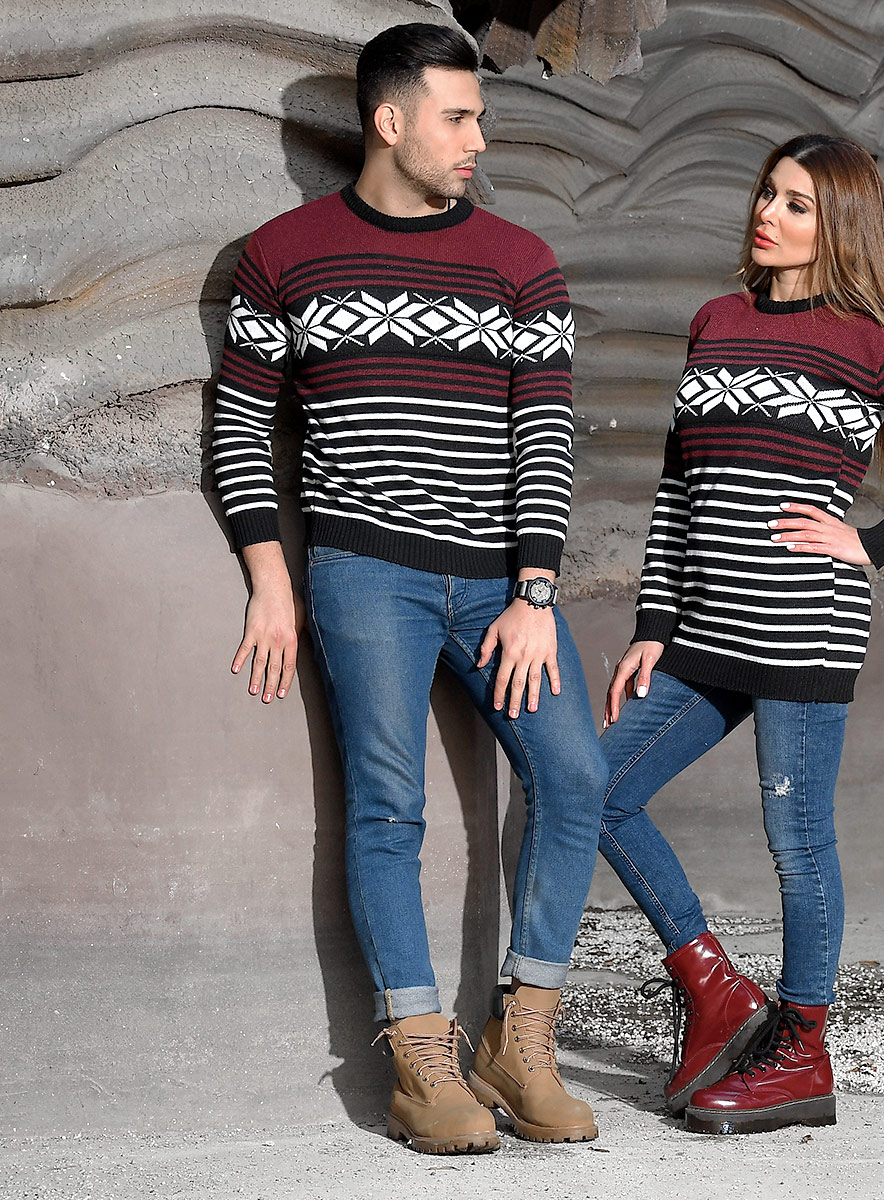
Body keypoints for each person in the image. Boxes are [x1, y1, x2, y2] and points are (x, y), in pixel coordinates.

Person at [211, 23, 605, 1155]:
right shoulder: (283, 255)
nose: (479, 139)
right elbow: (239, 430)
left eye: (480, 117)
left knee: (575, 773)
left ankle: (521, 1036)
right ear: (390, 121)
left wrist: (536, 592)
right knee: (389, 808)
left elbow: (544, 440)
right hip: (362, 574)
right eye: (458, 117)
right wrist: (271, 580)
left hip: (497, 588)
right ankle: (420, 1058)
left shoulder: (522, 262)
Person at [599, 134, 884, 1136]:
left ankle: (801, 1053)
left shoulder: (878, 342)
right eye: (768, 193)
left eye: (798, 204)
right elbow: (678, 489)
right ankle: (713, 988)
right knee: (593, 789)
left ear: (839, 227)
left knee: (796, 842)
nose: (769, 214)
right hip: (706, 625)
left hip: (805, 625)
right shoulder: (716, 321)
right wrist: (653, 625)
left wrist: (870, 542)